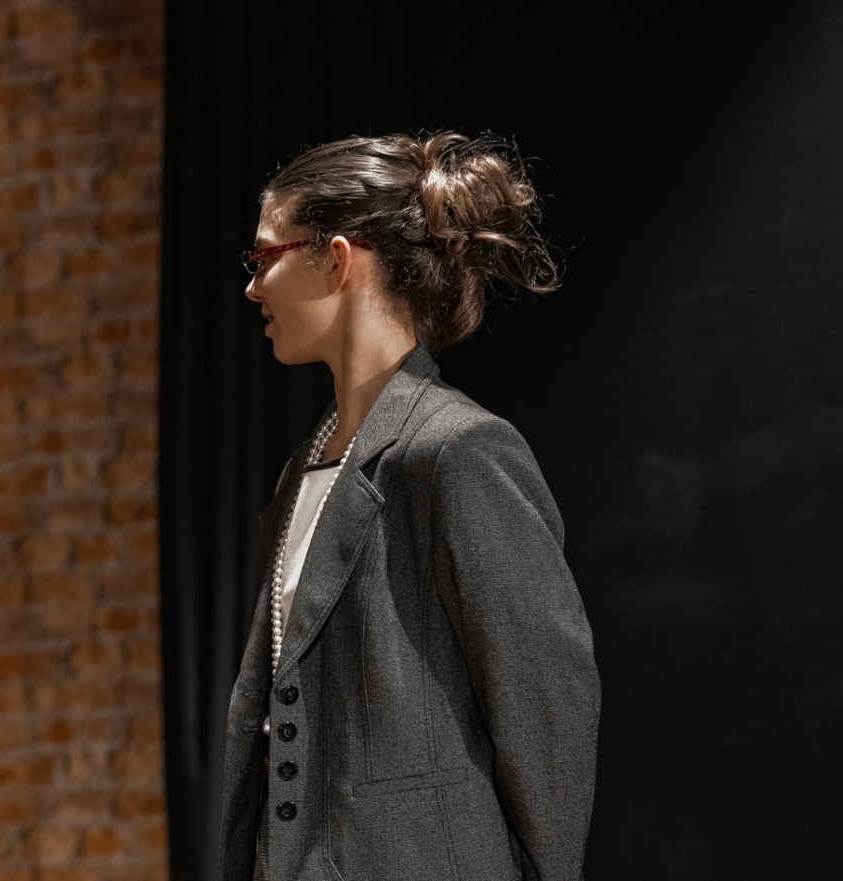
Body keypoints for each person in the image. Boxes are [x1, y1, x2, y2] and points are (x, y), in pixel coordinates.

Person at [218, 134, 600, 881]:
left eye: (264, 257)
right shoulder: (301, 471)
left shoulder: (458, 451)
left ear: (336, 259)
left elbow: (547, 708)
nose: (253, 288)